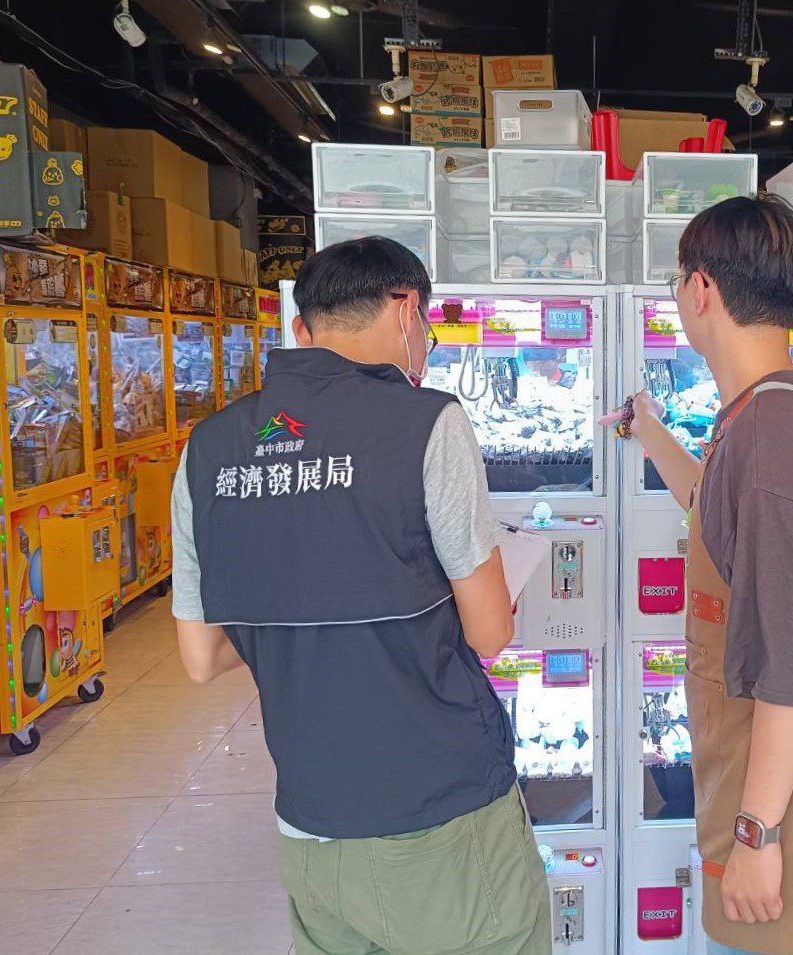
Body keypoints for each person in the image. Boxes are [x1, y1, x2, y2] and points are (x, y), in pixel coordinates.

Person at [170, 237, 551, 955]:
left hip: (310, 827)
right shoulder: (427, 422)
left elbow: (201, 657)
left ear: (301, 329)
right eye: (428, 325)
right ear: (407, 311)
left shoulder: (207, 449)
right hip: (441, 815)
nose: (427, 343)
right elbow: (489, 632)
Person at [620, 195, 793, 955]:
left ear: (701, 289)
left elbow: (791, 658)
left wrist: (758, 834)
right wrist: (649, 431)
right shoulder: (760, 409)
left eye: (678, 282)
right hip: (772, 764)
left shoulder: (771, 433)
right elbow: (717, 506)